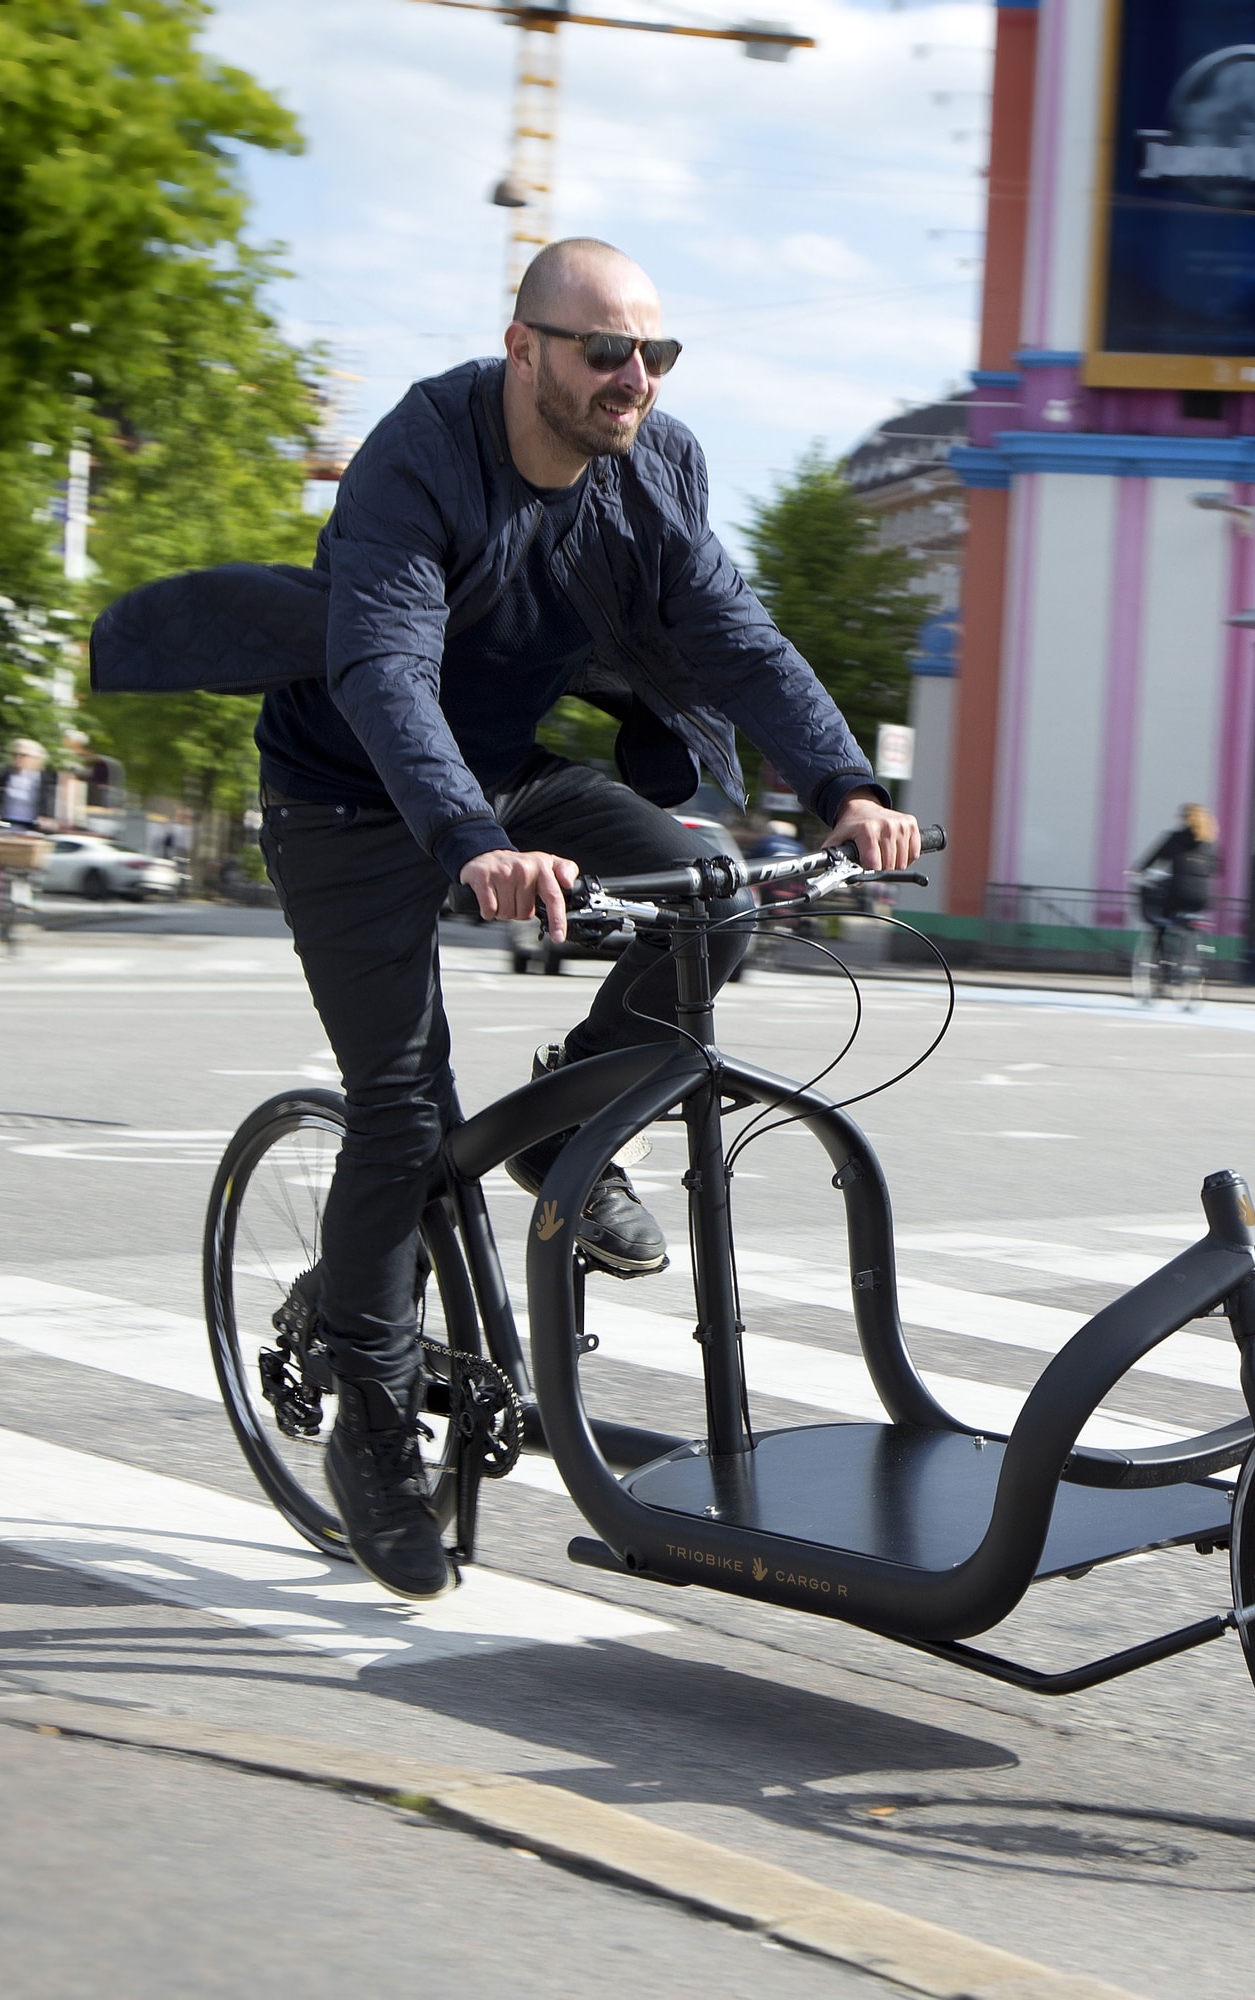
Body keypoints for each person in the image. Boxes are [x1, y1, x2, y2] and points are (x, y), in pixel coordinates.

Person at [250, 238, 919, 1603]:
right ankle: (373, 1423)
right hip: (349, 794)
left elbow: (734, 633)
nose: (634, 379)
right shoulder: (419, 456)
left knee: (713, 899)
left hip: (502, 774)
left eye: (655, 355)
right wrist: (471, 844)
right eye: (605, 351)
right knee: (400, 1108)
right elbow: (382, 670)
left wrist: (846, 781)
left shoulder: (653, 464)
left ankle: (562, 1116)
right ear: (524, 348)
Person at [1134, 804, 1221, 931]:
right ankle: (1204, 948)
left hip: (1177, 895)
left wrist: (1140, 869)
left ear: (1186, 819)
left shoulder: (1175, 838)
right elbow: (1214, 869)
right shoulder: (1210, 844)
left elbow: (1157, 855)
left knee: (1162, 915)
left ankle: (1160, 946)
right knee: (1188, 922)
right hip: (1201, 900)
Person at [0, 738, 51, 829]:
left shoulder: (44, 779)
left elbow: (48, 799)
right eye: (15, 755)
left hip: (31, 825)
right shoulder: (5, 775)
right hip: (5, 823)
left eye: (23, 755)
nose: (18, 758)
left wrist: (46, 817)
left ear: (36, 759)